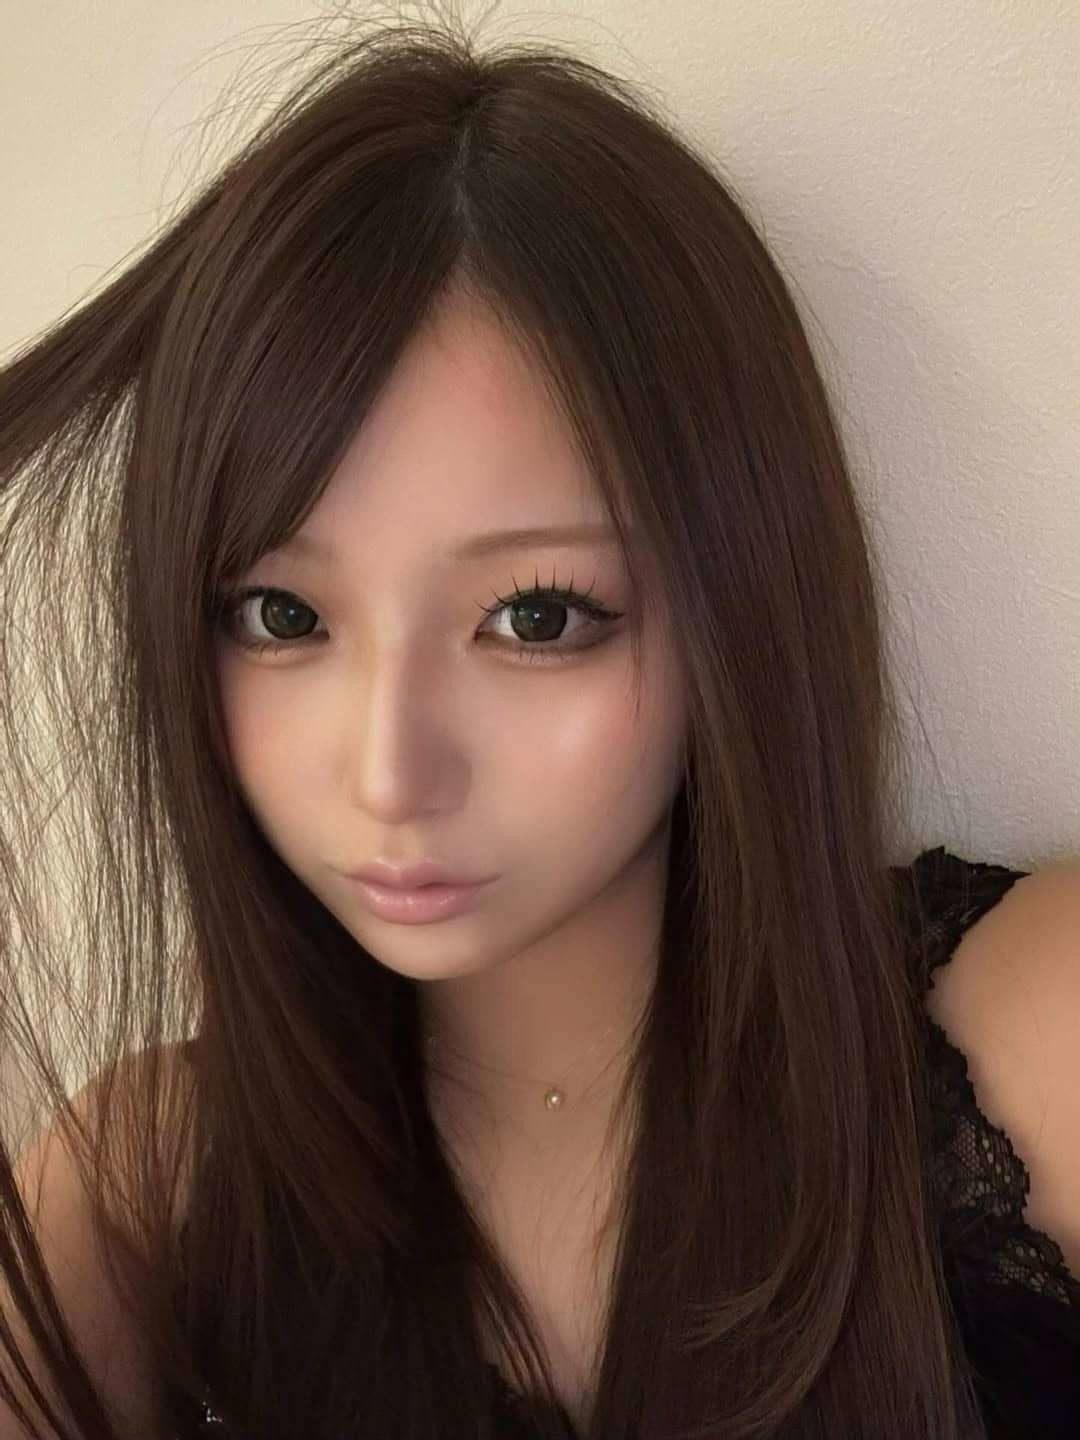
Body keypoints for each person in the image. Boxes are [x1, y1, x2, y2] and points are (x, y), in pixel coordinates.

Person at [0, 13, 1077, 1440]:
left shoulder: (1039, 1040)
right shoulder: (140, 1190)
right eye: (282, 615)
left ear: (734, 607)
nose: (389, 770)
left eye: (537, 616)